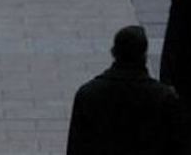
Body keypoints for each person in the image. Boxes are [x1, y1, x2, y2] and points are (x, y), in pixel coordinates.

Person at [66, 26, 182, 154]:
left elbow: (75, 148)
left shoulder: (87, 95)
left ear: (113, 52)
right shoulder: (163, 98)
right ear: (144, 55)